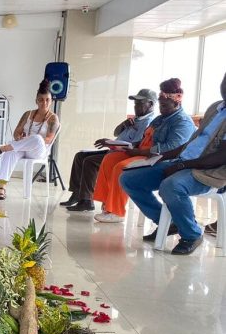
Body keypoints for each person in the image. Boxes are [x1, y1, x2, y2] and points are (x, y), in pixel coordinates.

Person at [120, 72, 226, 255]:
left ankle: (192, 234)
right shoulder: (216, 108)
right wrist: (162, 157)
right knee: (129, 179)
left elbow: (221, 157)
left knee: (171, 186)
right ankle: (169, 223)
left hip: (210, 171)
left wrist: (182, 166)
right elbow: (191, 143)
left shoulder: (183, 120)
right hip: (183, 161)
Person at [89, 78, 196, 222]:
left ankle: (116, 211)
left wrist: (139, 152)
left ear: (176, 103)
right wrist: (123, 146)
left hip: (159, 159)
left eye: (164, 105)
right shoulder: (160, 119)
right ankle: (107, 203)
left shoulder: (182, 121)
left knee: (122, 167)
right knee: (110, 158)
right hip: (143, 152)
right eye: (161, 105)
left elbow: (170, 148)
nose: (161, 108)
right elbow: (145, 139)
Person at [62, 88, 156, 210]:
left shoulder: (148, 122)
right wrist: (124, 125)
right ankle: (77, 193)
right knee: (80, 156)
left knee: (90, 162)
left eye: (139, 103)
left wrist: (110, 143)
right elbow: (116, 132)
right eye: (135, 103)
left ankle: (86, 200)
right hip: (114, 149)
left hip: (123, 154)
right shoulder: (136, 119)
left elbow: (135, 145)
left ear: (151, 104)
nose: (136, 106)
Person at [0, 79, 60, 200]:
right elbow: (16, 133)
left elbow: (49, 139)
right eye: (41, 100)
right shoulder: (28, 114)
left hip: (39, 150)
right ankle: (2, 187)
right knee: (10, 153)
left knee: (38, 139)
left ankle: (2, 148)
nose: (44, 103)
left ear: (51, 101)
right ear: (36, 101)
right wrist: (19, 138)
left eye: (47, 100)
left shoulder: (53, 118)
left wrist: (30, 138)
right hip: (23, 147)